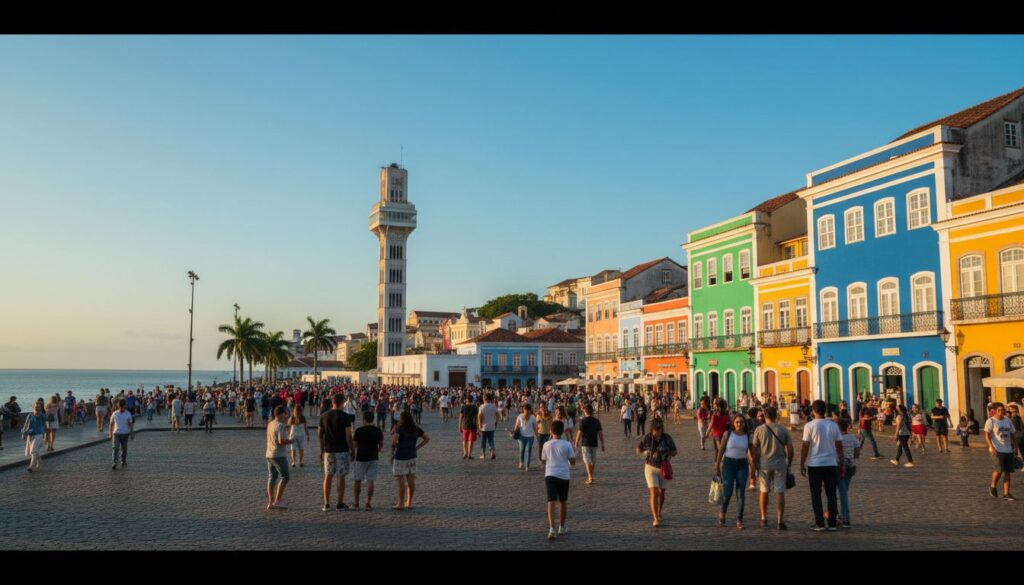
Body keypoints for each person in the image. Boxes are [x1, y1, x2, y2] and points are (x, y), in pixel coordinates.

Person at [800, 400, 845, 531]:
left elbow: (805, 445)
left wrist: (802, 462)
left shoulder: (809, 426)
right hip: (831, 463)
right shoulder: (833, 425)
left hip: (815, 464)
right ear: (825, 410)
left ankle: (819, 522)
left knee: (816, 494)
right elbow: (839, 446)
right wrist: (841, 462)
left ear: (813, 411)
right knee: (831, 494)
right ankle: (832, 523)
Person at [751, 406, 793, 530]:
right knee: (780, 491)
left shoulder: (759, 429)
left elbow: (754, 450)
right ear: (776, 415)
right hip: (780, 464)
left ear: (764, 415)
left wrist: (754, 465)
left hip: (764, 465)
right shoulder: (783, 429)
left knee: (764, 491)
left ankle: (764, 518)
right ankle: (780, 521)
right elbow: (790, 449)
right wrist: (789, 463)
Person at [715, 414, 755, 529]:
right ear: (733, 423)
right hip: (728, 464)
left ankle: (739, 519)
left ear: (744, 424)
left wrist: (753, 469)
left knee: (740, 493)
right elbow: (721, 449)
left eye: (741, 422)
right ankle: (722, 512)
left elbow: (752, 454)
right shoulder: (728, 434)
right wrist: (717, 465)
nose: (739, 424)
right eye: (737, 422)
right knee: (727, 492)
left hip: (742, 465)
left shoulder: (747, 436)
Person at [637, 419, 677, 528]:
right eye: (655, 430)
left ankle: (659, 512)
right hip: (650, 467)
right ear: (652, 429)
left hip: (663, 469)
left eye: (659, 429)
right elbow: (638, 449)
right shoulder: (648, 438)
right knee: (654, 493)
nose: (657, 432)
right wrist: (645, 452)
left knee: (662, 493)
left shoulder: (667, 438)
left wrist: (666, 452)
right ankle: (655, 518)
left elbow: (675, 451)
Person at [319, 393, 355, 511]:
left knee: (328, 476)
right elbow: (348, 435)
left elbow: (319, 434)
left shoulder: (324, 416)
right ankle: (339, 503)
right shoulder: (345, 416)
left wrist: (322, 450)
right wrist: (353, 450)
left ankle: (326, 503)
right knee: (341, 477)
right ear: (341, 403)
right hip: (342, 449)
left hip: (328, 450)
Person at [541, 420, 575, 540]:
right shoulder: (567, 444)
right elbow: (573, 462)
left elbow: (543, 460)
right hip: (563, 475)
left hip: (550, 474)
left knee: (551, 501)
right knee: (563, 501)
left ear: (551, 431)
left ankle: (551, 528)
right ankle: (561, 527)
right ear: (562, 431)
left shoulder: (546, 444)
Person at [391, 411, 430, 510]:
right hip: (412, 456)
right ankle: (409, 502)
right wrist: (417, 447)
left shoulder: (400, 429)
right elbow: (427, 438)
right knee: (411, 480)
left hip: (400, 456)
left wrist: (393, 451)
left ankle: (400, 504)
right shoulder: (416, 428)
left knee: (401, 481)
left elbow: (394, 441)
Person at [984, 402, 1020, 500]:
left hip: (1008, 449)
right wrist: (991, 447)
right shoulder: (990, 421)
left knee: (1007, 471)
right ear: (994, 411)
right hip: (997, 449)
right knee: (999, 470)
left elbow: (1012, 433)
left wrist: (1015, 447)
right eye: (999, 410)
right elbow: (987, 435)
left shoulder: (1008, 420)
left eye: (1003, 410)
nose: (1001, 412)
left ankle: (1006, 493)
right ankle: (993, 486)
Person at [352, 410, 384, 510]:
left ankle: (356, 503)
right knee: (371, 481)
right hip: (373, 457)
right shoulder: (377, 430)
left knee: (357, 481)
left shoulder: (359, 430)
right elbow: (381, 444)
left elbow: (355, 445)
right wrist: (378, 449)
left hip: (361, 457)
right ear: (373, 419)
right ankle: (368, 503)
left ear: (363, 419)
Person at [265, 406, 293, 510]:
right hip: (279, 455)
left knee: (271, 477)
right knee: (285, 477)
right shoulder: (281, 425)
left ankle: (270, 502)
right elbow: (281, 441)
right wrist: (291, 441)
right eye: (285, 413)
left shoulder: (270, 424)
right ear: (281, 414)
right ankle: (278, 500)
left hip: (269, 453)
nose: (286, 415)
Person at [836, 418, 860, 528]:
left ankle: (845, 518)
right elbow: (857, 454)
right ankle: (841, 515)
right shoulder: (853, 438)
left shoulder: (837, 439)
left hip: (840, 467)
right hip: (851, 466)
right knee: (844, 491)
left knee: (842, 493)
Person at [574, 404, 605, 485]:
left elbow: (579, 433)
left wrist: (576, 442)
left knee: (587, 460)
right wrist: (602, 444)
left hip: (585, 443)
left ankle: (590, 477)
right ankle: (590, 476)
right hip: (594, 443)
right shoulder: (596, 421)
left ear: (585, 411)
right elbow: (600, 433)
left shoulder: (583, 421)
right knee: (593, 460)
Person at [21, 402, 49, 472]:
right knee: (36, 451)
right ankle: (40, 463)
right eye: (36, 406)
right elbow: (26, 424)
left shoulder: (43, 416)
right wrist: (23, 434)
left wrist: (46, 437)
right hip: (30, 435)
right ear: (33, 407)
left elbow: (46, 427)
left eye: (38, 407)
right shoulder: (30, 415)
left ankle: (31, 465)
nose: (37, 408)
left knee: (33, 450)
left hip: (39, 435)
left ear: (41, 408)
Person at [108, 399, 135, 470]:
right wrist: (110, 434)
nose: (126, 407)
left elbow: (131, 424)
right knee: (115, 448)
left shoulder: (128, 414)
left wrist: (132, 433)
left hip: (125, 433)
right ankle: (114, 463)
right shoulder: (115, 413)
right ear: (121, 406)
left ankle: (123, 461)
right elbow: (111, 424)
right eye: (125, 405)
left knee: (124, 449)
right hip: (116, 433)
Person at [513, 404, 537, 471]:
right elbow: (516, 426)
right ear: (523, 410)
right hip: (521, 437)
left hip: (530, 437)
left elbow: (535, 428)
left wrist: (537, 436)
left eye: (528, 410)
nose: (527, 412)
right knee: (522, 450)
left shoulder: (533, 417)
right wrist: (514, 433)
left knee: (529, 450)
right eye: (525, 410)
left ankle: (527, 465)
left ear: (530, 410)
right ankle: (521, 462)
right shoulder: (520, 416)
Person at [477, 392, 498, 460]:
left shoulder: (481, 406)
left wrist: (479, 424)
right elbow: (497, 415)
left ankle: (483, 454)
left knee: (483, 441)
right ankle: (492, 452)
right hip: (491, 425)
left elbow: (479, 416)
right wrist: (496, 422)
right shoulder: (493, 406)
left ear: (484, 399)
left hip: (483, 426)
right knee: (491, 440)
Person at [458, 394, 479, 460]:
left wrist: (459, 426)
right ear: (472, 400)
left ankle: (465, 453)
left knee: (464, 440)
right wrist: (478, 428)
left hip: (465, 425)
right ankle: (469, 454)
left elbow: (460, 417)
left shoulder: (463, 407)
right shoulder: (475, 407)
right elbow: (477, 418)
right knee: (471, 441)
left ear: (466, 400)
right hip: (473, 426)